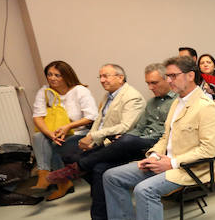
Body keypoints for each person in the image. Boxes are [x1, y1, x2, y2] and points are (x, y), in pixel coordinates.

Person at [100, 56, 215, 220]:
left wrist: (172, 162)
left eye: (173, 75)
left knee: (144, 190)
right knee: (112, 176)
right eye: (168, 76)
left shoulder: (206, 107)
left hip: (192, 169)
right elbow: (166, 137)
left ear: (190, 76)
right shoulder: (177, 102)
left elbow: (210, 150)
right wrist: (155, 154)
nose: (169, 80)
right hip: (168, 162)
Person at [59, 64, 176, 220]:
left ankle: (79, 166)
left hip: (153, 147)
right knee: (99, 169)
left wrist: (130, 138)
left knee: (119, 146)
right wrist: (127, 137)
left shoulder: (175, 102)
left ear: (168, 80)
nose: (150, 87)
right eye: (148, 83)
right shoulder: (152, 102)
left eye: (154, 83)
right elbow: (138, 126)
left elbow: (167, 134)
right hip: (138, 141)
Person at [48, 64, 146, 201]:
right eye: (100, 77)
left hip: (115, 141)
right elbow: (99, 120)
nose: (102, 80)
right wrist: (90, 138)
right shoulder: (108, 95)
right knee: (65, 151)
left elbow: (125, 126)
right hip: (99, 138)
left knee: (85, 161)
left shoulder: (132, 97)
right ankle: (102, 191)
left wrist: (94, 137)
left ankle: (100, 193)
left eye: (106, 76)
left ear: (120, 77)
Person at [30, 60, 98, 193]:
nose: (52, 78)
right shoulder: (44, 91)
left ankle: (62, 182)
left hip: (79, 131)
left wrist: (68, 127)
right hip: (55, 131)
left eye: (57, 75)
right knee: (39, 136)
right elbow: (37, 116)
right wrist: (50, 133)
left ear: (66, 76)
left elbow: (92, 116)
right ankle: (43, 176)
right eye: (49, 74)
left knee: (55, 144)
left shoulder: (80, 91)